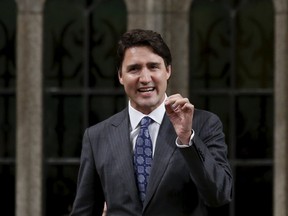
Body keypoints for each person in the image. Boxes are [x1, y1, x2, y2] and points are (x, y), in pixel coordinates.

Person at [70, 29, 233, 216]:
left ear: (168, 71)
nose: (145, 78)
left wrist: (187, 139)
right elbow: (84, 210)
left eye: (153, 66)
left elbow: (219, 196)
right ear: (120, 76)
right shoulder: (97, 136)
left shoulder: (204, 124)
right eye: (134, 69)